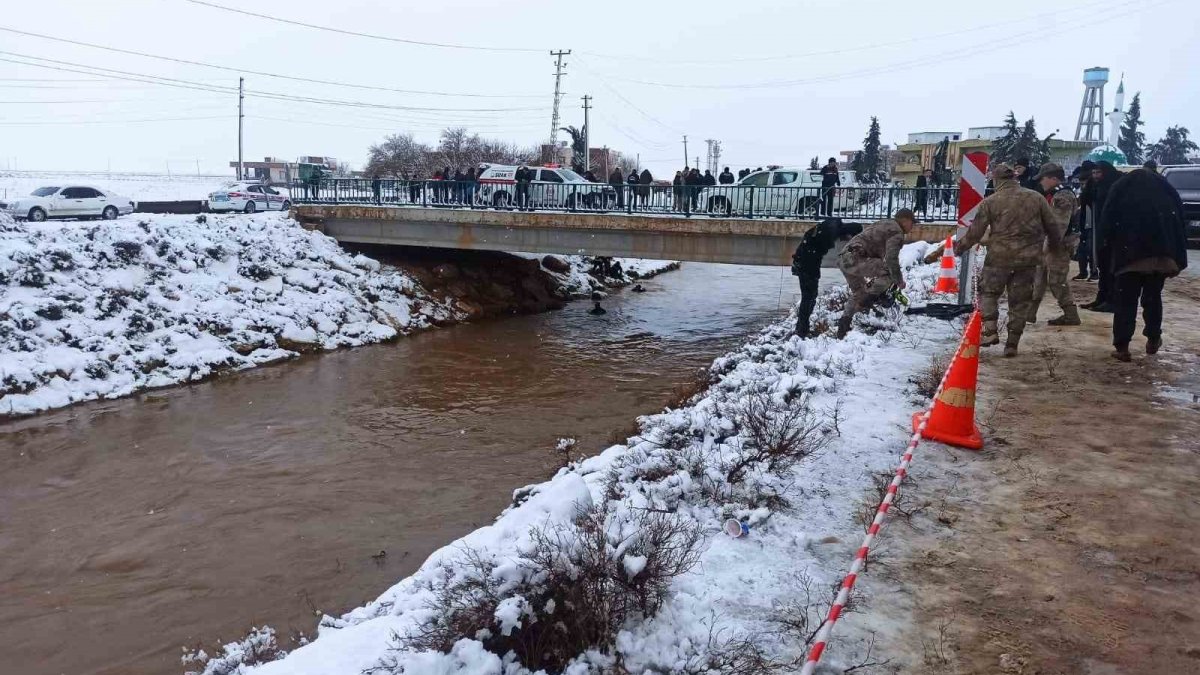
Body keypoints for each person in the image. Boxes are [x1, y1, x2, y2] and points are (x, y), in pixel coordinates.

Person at [953, 163, 1061, 356]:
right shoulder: (1036, 198)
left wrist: (960, 247)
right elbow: (1053, 226)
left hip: (999, 258)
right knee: (1019, 302)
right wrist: (1052, 248)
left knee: (988, 293)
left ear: (996, 180)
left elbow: (976, 232)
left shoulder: (991, 202)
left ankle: (991, 331)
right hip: (1028, 260)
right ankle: (1012, 343)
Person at [1098, 168, 1188, 361]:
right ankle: (1153, 338)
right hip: (1160, 258)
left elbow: (1107, 220)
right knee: (1153, 297)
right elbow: (1180, 221)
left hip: (1128, 256)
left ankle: (1122, 346)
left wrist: (1105, 248)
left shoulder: (1121, 190)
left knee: (1125, 301)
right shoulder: (1165, 191)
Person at [836, 209, 914, 339]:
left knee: (858, 292)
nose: (912, 227)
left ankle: (843, 328)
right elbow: (891, 259)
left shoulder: (884, 223)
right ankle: (868, 300)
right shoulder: (896, 232)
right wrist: (899, 281)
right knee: (889, 274)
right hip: (857, 257)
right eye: (912, 223)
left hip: (844, 258)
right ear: (905, 220)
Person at [1027, 163, 1082, 326]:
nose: (1041, 183)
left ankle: (1071, 314)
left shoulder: (1062, 196)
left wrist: (1047, 246)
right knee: (1040, 278)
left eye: (1043, 179)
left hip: (1058, 246)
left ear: (1053, 178)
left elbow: (1058, 226)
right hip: (1052, 244)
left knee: (1056, 280)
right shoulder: (1056, 194)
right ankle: (1030, 313)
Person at [792, 217, 863, 338]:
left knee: (809, 297)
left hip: (806, 261)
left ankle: (802, 329)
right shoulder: (830, 232)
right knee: (809, 297)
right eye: (850, 238)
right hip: (807, 264)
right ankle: (801, 331)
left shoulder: (832, 224)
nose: (846, 241)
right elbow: (814, 249)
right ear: (849, 233)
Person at [1081, 161, 1122, 312]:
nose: (1096, 176)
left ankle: (1112, 299)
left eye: (1098, 173)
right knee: (1102, 266)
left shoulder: (1114, 185)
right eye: (1094, 173)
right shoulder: (1096, 186)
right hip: (1099, 229)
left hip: (1112, 233)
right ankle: (1102, 297)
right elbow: (1086, 200)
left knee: (1110, 267)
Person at [1072, 161, 1097, 280]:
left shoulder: (1094, 188)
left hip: (1091, 221)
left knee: (1090, 248)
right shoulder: (1087, 187)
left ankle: (1093, 271)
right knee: (1083, 247)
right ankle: (1085, 271)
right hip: (1085, 220)